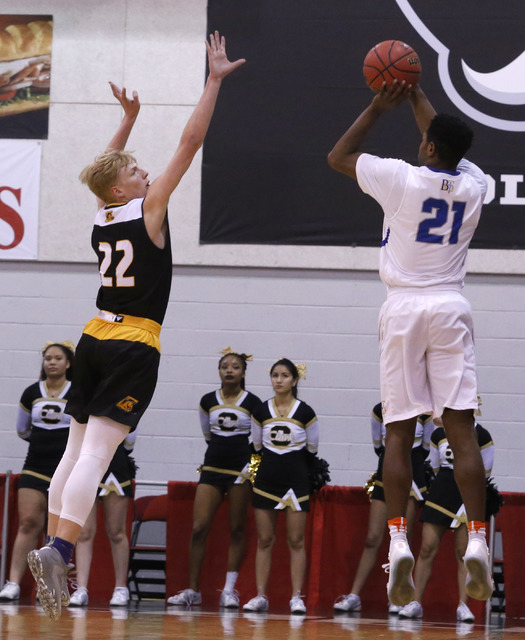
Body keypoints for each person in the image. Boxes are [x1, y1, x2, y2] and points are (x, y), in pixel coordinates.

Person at [26, 31, 246, 621]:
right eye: (134, 167)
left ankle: (54, 549)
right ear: (126, 187)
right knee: (97, 456)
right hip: (131, 343)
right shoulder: (148, 209)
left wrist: (125, 124)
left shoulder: (106, 211)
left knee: (72, 454)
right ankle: (60, 547)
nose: (145, 169)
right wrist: (214, 82)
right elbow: (190, 141)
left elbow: (104, 171)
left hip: (93, 335)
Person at [327, 81, 493, 606]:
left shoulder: (399, 178)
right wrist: (421, 95)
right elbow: (442, 139)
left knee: (398, 432)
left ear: (425, 147)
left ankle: (397, 537)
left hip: (402, 308)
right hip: (450, 306)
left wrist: (381, 103)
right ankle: (480, 541)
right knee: (460, 429)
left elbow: (339, 156)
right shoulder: (476, 186)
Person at [167, 349, 261, 608]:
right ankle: (193, 590)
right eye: (224, 366)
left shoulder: (253, 403)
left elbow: (257, 440)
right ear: (219, 371)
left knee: (237, 528)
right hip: (212, 467)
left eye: (235, 367)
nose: (229, 370)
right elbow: (208, 434)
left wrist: (248, 468)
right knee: (199, 528)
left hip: (240, 470)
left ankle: (228, 590)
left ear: (243, 373)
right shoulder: (207, 400)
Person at [334, 403, 433, 614]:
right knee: (372, 538)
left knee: (403, 540)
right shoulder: (381, 409)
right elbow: (378, 446)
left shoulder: (425, 412)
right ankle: (354, 595)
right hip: (386, 471)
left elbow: (425, 449)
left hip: (413, 474)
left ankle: (399, 597)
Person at [242, 358, 319, 615]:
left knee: (296, 540)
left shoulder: (306, 412)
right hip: (266, 480)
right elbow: (256, 446)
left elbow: (312, 449)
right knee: (265, 539)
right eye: (275, 375)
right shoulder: (261, 412)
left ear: (295, 380)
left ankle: (297, 597)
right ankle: (260, 595)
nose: (279, 380)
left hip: (296, 481)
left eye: (285, 375)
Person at [0, 341, 75, 602]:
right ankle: (13, 583)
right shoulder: (31, 392)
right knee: (28, 522)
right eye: (47, 358)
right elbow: (23, 430)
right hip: (35, 464)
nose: (52, 362)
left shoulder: (77, 392)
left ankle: (51, 588)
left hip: (65, 465)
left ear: (68, 363)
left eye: (57, 358)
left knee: (57, 530)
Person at [398, 421, 494, 622]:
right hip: (441, 490)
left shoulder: (482, 435)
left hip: (466, 493)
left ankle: (463, 606)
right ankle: (415, 602)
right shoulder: (439, 433)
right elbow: (433, 465)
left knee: (463, 553)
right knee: (427, 549)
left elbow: (485, 471)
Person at [68, 438, 137, 608]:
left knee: (116, 531)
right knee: (84, 532)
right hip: (86, 463)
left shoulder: (126, 409)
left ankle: (121, 588)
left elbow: (129, 442)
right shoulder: (83, 409)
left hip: (115, 465)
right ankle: (81, 588)